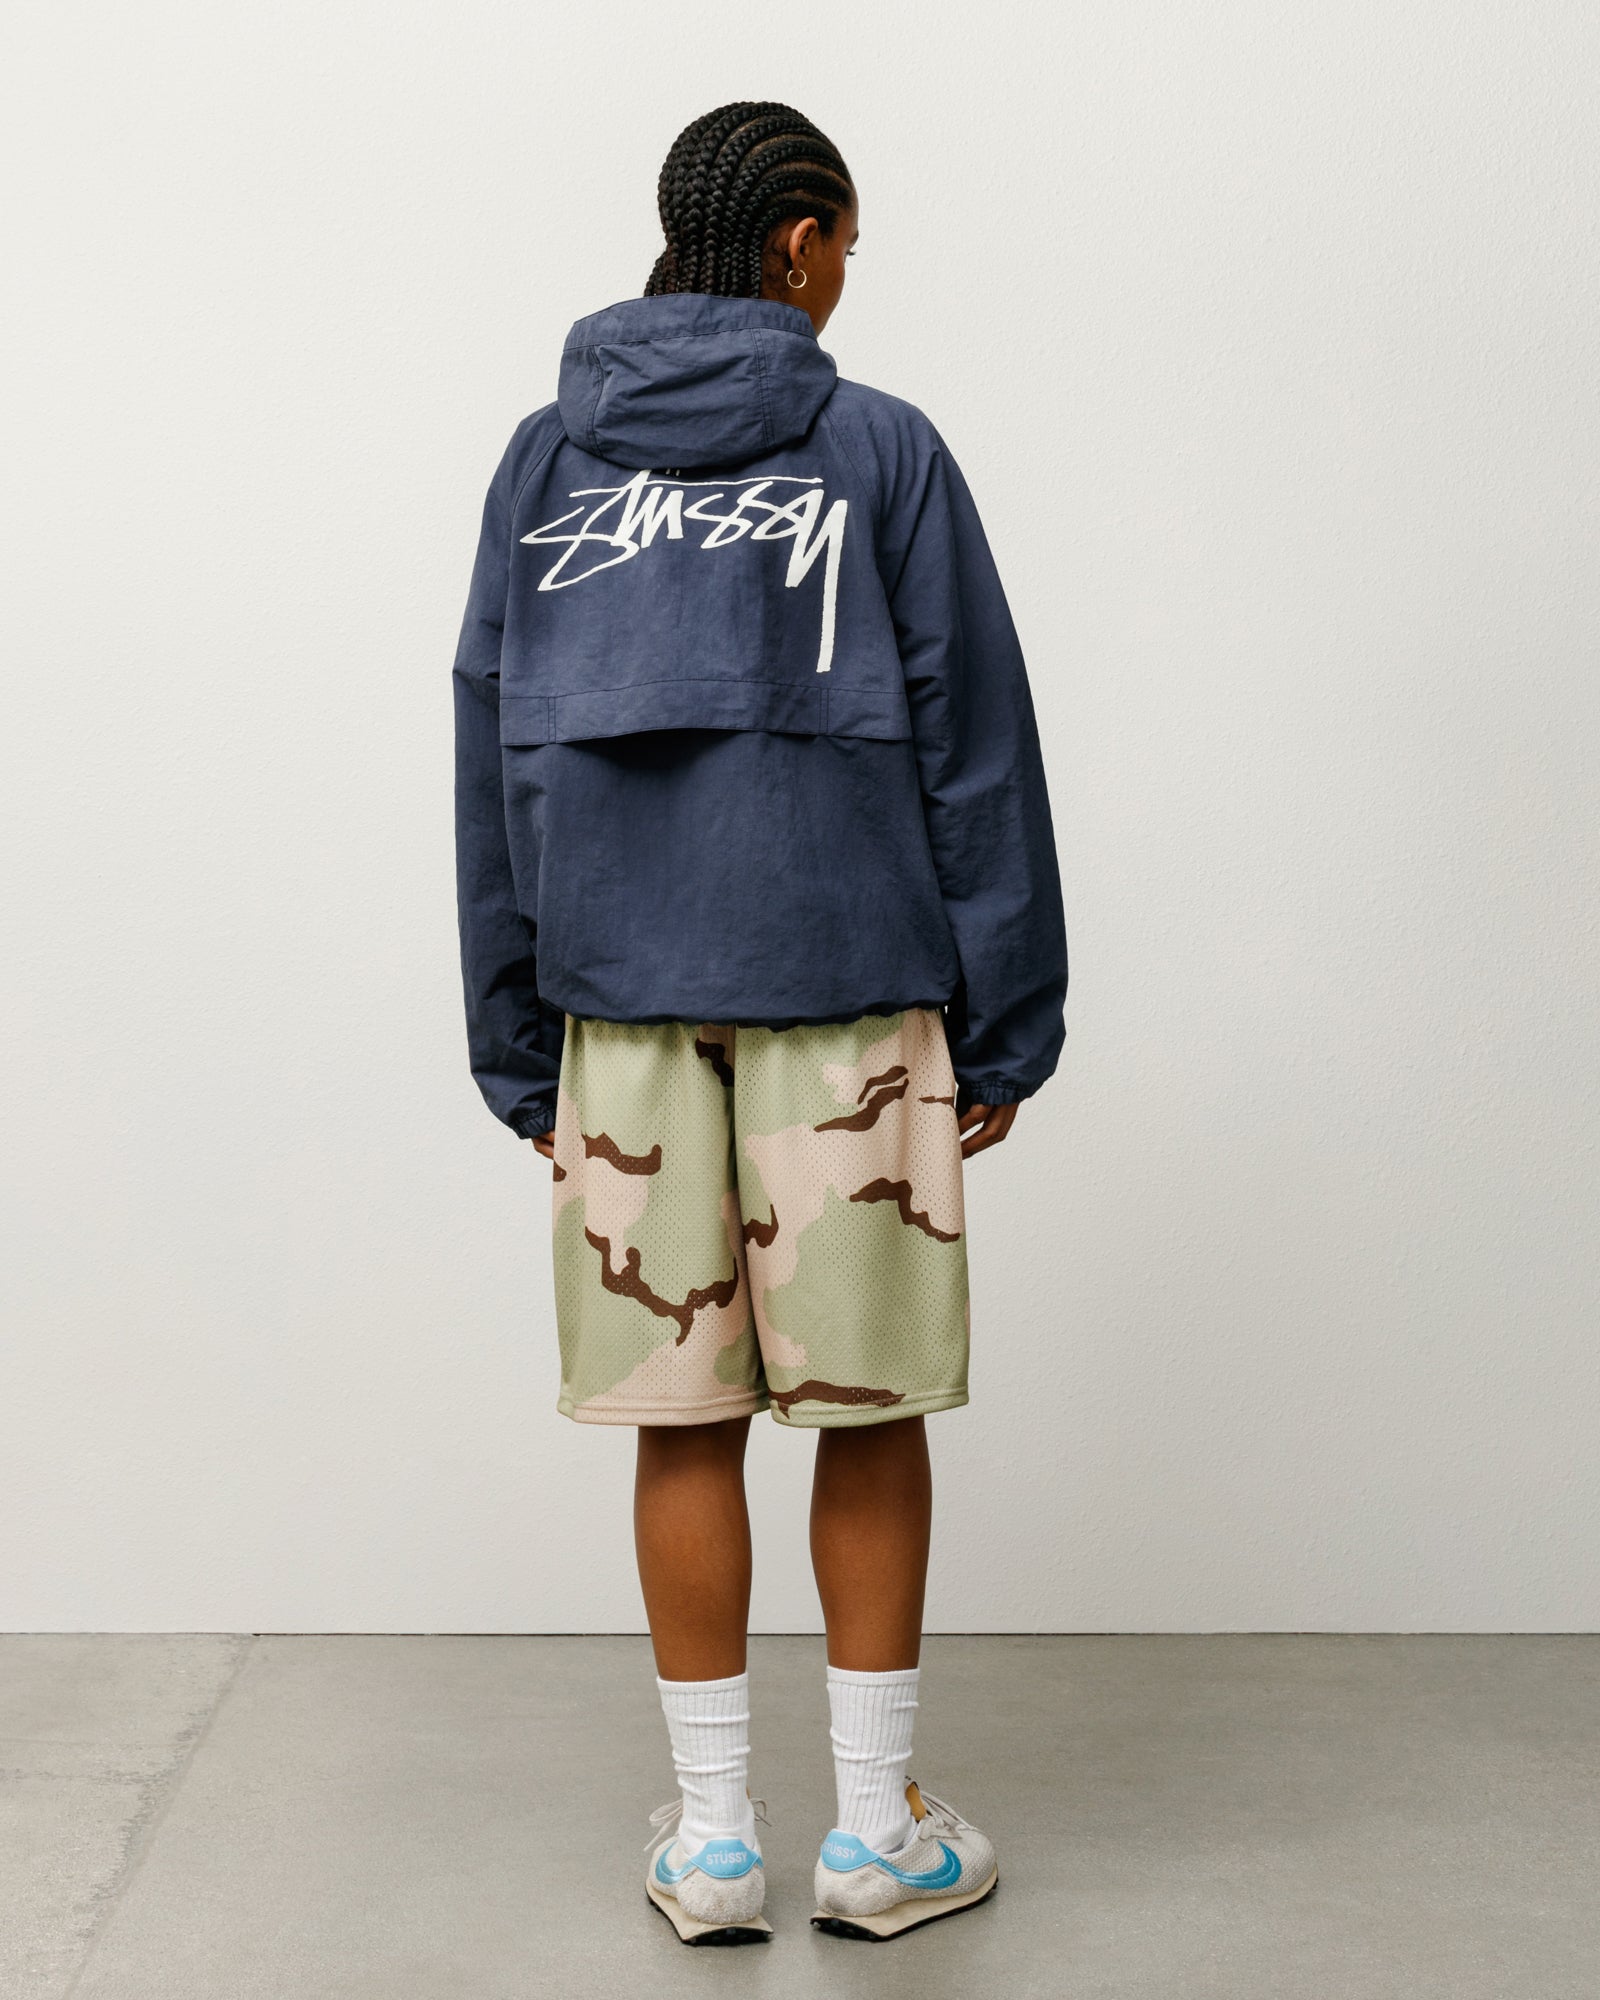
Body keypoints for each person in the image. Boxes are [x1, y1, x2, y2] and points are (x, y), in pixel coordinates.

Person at [453, 100, 1068, 1945]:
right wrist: (1010, 1016)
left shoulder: (546, 457)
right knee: (865, 1418)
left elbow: (490, 738)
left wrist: (514, 1035)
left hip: (621, 1012)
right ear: (800, 243)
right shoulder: (881, 449)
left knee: (684, 1419)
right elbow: (974, 739)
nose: (846, 281)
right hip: (848, 995)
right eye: (848, 251)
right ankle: (875, 1837)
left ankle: (717, 1843)